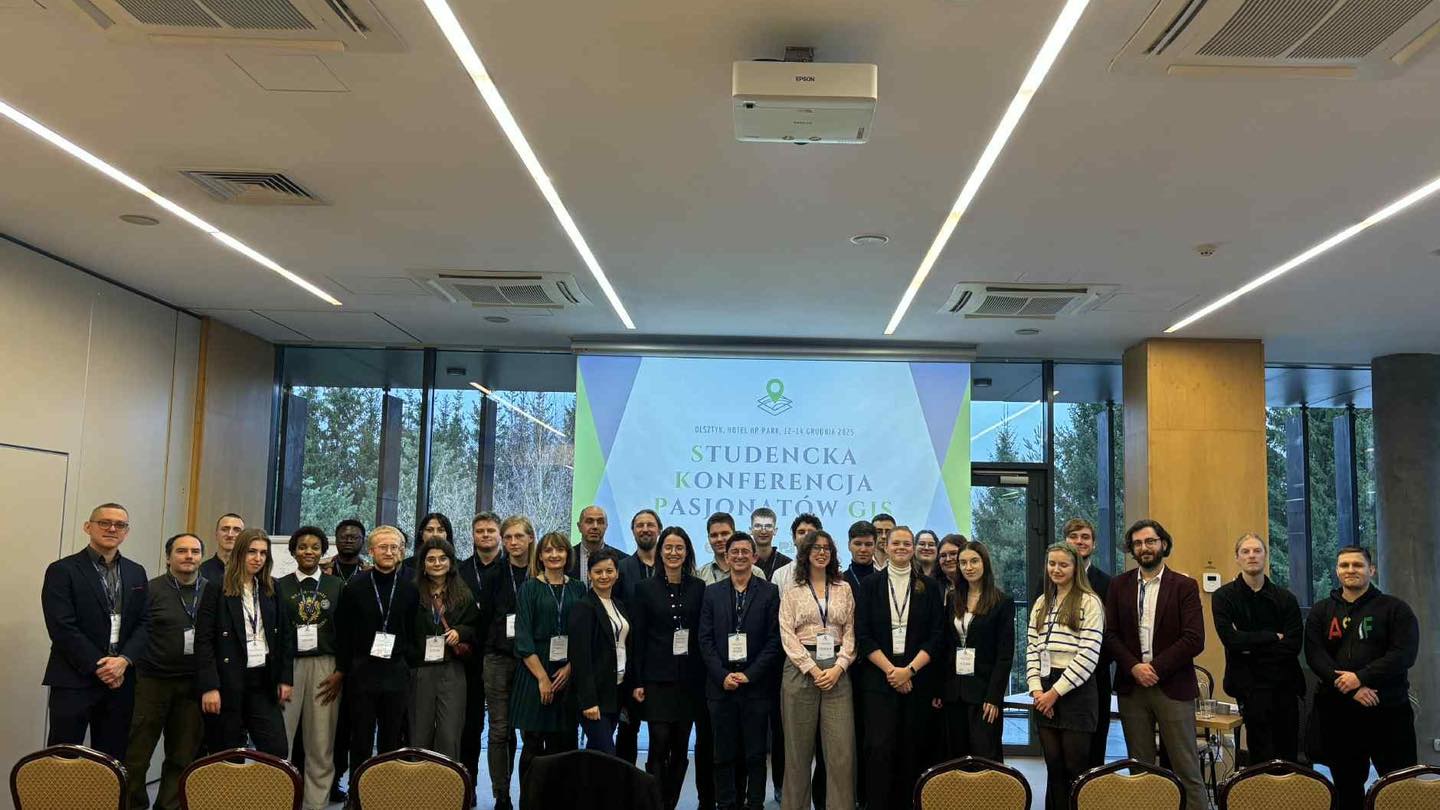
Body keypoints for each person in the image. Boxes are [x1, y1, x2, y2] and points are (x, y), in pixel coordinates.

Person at [1104, 519, 1208, 810]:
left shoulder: (1184, 586)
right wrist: (1134, 667)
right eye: (1137, 543)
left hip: (1173, 686)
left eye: (1150, 541)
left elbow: (1194, 639)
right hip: (1132, 688)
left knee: (1186, 769)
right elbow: (1110, 635)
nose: (1144, 547)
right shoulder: (1118, 585)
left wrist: (1156, 668)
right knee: (1141, 770)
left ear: (1163, 544)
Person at [1305, 546, 1419, 810]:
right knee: (1346, 788)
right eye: (1344, 565)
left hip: (1387, 709)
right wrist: (1352, 687)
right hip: (1340, 713)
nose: (1350, 570)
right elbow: (1315, 655)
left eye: (1357, 565)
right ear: (1337, 571)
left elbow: (1404, 654)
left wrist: (1361, 677)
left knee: (1399, 786)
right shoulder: (1321, 611)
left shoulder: (1395, 609)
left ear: (1371, 570)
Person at [41, 503, 149, 760]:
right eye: (104, 522)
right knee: (63, 757)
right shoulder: (62, 570)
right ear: (88, 527)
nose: (112, 529)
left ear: (126, 532)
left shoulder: (136, 572)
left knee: (111, 758)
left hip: (120, 680)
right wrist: (101, 666)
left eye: (120, 525)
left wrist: (123, 661)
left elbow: (145, 622)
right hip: (74, 678)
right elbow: (62, 627)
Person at [854, 525, 943, 810]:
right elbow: (862, 634)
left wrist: (909, 671)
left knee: (912, 748)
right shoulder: (870, 585)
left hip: (917, 678)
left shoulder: (929, 586)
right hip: (879, 678)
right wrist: (892, 671)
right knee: (878, 748)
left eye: (907, 543)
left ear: (913, 548)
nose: (902, 548)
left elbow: (936, 635)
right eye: (896, 543)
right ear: (886, 546)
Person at [123, 533, 206, 810]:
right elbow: (134, 632)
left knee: (182, 757)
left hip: (193, 685)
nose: (189, 556)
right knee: (137, 754)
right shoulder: (150, 590)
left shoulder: (212, 591)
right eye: (181, 551)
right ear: (168, 557)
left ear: (201, 557)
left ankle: (168, 806)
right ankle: (134, 805)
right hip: (151, 682)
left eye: (195, 551)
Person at [699, 532, 782, 810]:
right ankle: (726, 803)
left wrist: (750, 674)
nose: (739, 556)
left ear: (754, 557)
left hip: (756, 686)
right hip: (720, 686)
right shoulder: (711, 593)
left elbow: (774, 641)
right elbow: (705, 640)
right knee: (723, 753)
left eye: (745, 551)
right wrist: (722, 675)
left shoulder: (769, 592)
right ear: (726, 556)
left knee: (755, 754)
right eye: (734, 552)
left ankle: (755, 803)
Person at [334, 525, 418, 789]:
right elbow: (343, 632)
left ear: (401, 551)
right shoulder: (355, 586)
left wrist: (406, 660)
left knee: (391, 739)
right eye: (383, 547)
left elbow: (413, 629)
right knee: (360, 737)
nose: (389, 552)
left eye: (394, 547)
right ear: (371, 551)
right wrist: (345, 667)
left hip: (396, 672)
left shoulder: (410, 588)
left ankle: (385, 793)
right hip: (362, 672)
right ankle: (357, 793)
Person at [196, 528, 293, 756]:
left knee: (276, 749)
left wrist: (285, 678)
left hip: (263, 680)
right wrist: (209, 686)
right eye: (252, 552)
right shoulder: (217, 587)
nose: (258, 558)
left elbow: (285, 636)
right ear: (240, 553)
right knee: (228, 752)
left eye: (263, 553)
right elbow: (204, 640)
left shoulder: (272, 587)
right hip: (228, 681)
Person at [630, 527, 707, 810]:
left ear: (687, 552)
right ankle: (656, 803)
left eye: (679, 548)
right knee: (659, 742)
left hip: (689, 680)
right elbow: (638, 637)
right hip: (656, 679)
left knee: (680, 745)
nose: (674, 553)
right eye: (668, 548)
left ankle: (670, 802)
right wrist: (637, 681)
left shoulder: (699, 588)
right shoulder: (644, 589)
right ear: (660, 552)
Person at [778, 530, 855, 810]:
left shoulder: (844, 588)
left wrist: (839, 666)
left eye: (826, 548)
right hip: (800, 669)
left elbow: (851, 631)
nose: (822, 553)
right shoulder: (793, 590)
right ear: (806, 553)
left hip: (837, 671)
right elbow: (786, 634)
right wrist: (811, 668)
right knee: (797, 752)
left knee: (841, 752)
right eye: (816, 548)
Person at [1211, 533, 1303, 764]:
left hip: (1285, 685)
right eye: (1245, 551)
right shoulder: (1224, 597)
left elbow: (1293, 646)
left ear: (1265, 556)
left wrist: (1248, 646)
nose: (1251, 556)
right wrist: (1272, 637)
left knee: (1288, 753)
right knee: (1260, 754)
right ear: (1237, 558)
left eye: (1257, 551)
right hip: (1248, 687)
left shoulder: (1286, 599)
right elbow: (1231, 641)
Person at [1028, 542, 1103, 810]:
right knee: (1054, 767)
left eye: (1063, 564)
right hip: (1044, 687)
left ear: (1075, 568)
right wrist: (1037, 690)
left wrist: (1054, 693)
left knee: (1075, 769)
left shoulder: (1090, 601)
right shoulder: (1042, 602)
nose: (1056, 569)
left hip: (1075, 690)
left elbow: (1088, 655)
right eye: (1052, 564)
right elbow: (1031, 649)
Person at [276, 526, 344, 810]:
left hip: (325, 665)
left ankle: (316, 802)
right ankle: (280, 798)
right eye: (302, 546)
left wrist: (341, 670)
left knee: (321, 739)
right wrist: (278, 675)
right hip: (288, 665)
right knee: (282, 738)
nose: (308, 551)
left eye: (315, 547)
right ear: (293, 551)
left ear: (323, 552)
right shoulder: (279, 585)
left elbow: (347, 632)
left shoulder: (336, 586)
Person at [512, 531, 586, 787]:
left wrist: (571, 667)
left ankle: (560, 801)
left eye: (560, 550)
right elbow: (523, 637)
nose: (554, 555)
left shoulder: (578, 588)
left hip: (568, 672)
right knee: (532, 744)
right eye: (548, 550)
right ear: (540, 556)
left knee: (564, 746)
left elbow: (584, 634)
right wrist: (542, 678)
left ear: (568, 555)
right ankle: (530, 800)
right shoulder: (529, 588)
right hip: (534, 672)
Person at [934, 539, 1014, 761]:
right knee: (955, 757)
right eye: (963, 562)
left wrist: (994, 697)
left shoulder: (1001, 602)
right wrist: (940, 688)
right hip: (954, 691)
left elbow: (1004, 655)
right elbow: (945, 647)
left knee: (984, 755)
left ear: (984, 563)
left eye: (974, 561)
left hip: (984, 693)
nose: (968, 567)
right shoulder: (953, 598)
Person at [476, 515, 535, 810]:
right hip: (498, 657)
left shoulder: (540, 572)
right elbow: (484, 617)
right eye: (508, 537)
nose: (513, 542)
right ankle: (502, 794)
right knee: (500, 730)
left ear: (530, 538)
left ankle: (531, 794)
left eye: (519, 536)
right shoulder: (494, 573)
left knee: (529, 731)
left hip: (532, 660)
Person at [760, 512, 818, 802]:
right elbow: (777, 621)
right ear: (793, 538)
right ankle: (784, 787)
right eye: (801, 532)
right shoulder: (780, 575)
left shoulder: (832, 572)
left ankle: (818, 790)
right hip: (787, 661)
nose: (806, 536)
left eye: (811, 532)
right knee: (785, 730)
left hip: (825, 661)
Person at [409, 537, 479, 759]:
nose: (437, 563)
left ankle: (447, 780)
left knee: (450, 733)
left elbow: (476, 627)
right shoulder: (412, 592)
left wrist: (460, 632)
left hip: (452, 668)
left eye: (442, 558)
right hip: (420, 668)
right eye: (431, 559)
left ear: (450, 562)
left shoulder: (463, 593)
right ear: (423, 564)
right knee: (419, 732)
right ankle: (418, 778)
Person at [1056, 518, 1114, 769]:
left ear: (1094, 544)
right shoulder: (1049, 580)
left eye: (1085, 537)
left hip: (1095, 677)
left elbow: (1112, 633)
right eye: (1073, 536)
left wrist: (1086, 664)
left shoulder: (1107, 583)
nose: (1079, 541)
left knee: (1093, 750)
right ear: (1065, 541)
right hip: (1056, 678)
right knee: (1059, 755)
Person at [570, 548, 632, 755]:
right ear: (589, 575)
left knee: (597, 754)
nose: (604, 576)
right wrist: (589, 701)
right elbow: (580, 658)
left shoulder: (619, 604)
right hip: (594, 695)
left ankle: (586, 778)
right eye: (598, 572)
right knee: (607, 753)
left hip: (616, 690)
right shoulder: (583, 607)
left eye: (609, 571)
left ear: (617, 574)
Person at [323, 518, 365, 804]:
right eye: (343, 536)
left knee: (353, 726)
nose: (348, 540)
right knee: (329, 726)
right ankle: (326, 780)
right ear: (336, 539)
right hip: (327, 653)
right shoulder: (322, 569)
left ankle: (346, 779)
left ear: (363, 541)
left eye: (354, 537)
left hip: (362, 658)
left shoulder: (371, 571)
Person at [616, 508, 662, 764]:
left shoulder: (670, 566)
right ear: (633, 531)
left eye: (650, 524)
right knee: (627, 729)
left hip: (662, 659)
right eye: (640, 525)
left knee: (660, 731)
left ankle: (655, 782)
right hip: (630, 658)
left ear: (659, 530)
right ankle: (625, 780)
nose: (645, 529)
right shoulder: (622, 568)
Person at [459, 511, 503, 783]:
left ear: (499, 535)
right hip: (468, 656)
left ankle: (502, 791)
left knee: (502, 728)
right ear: (473, 535)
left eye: (490, 530)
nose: (485, 535)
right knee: (469, 724)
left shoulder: (511, 569)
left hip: (502, 654)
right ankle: (468, 784)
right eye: (480, 531)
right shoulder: (460, 570)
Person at [699, 512, 768, 585]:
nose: (719, 539)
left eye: (724, 534)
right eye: (714, 535)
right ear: (708, 538)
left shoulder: (756, 572)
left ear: (734, 534)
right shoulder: (700, 574)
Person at [570, 505, 629, 582]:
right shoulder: (567, 557)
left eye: (600, 522)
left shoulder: (623, 560)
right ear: (579, 526)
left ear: (606, 527)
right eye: (589, 521)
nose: (595, 526)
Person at [198, 513, 244, 584]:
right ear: (216, 534)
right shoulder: (201, 572)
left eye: (237, 530)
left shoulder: (249, 571)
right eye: (224, 529)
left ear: (243, 536)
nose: (230, 535)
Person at [751, 507, 792, 581]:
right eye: (758, 526)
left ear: (775, 531)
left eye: (768, 526)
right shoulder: (744, 561)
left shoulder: (787, 564)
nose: (763, 531)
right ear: (751, 530)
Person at [842, 520, 880, 592]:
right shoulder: (839, 581)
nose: (863, 549)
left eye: (868, 544)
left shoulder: (885, 579)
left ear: (875, 546)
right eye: (858, 544)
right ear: (849, 545)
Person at [934, 533, 966, 604]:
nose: (948, 559)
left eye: (953, 554)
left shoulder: (976, 588)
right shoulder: (932, 588)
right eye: (943, 555)